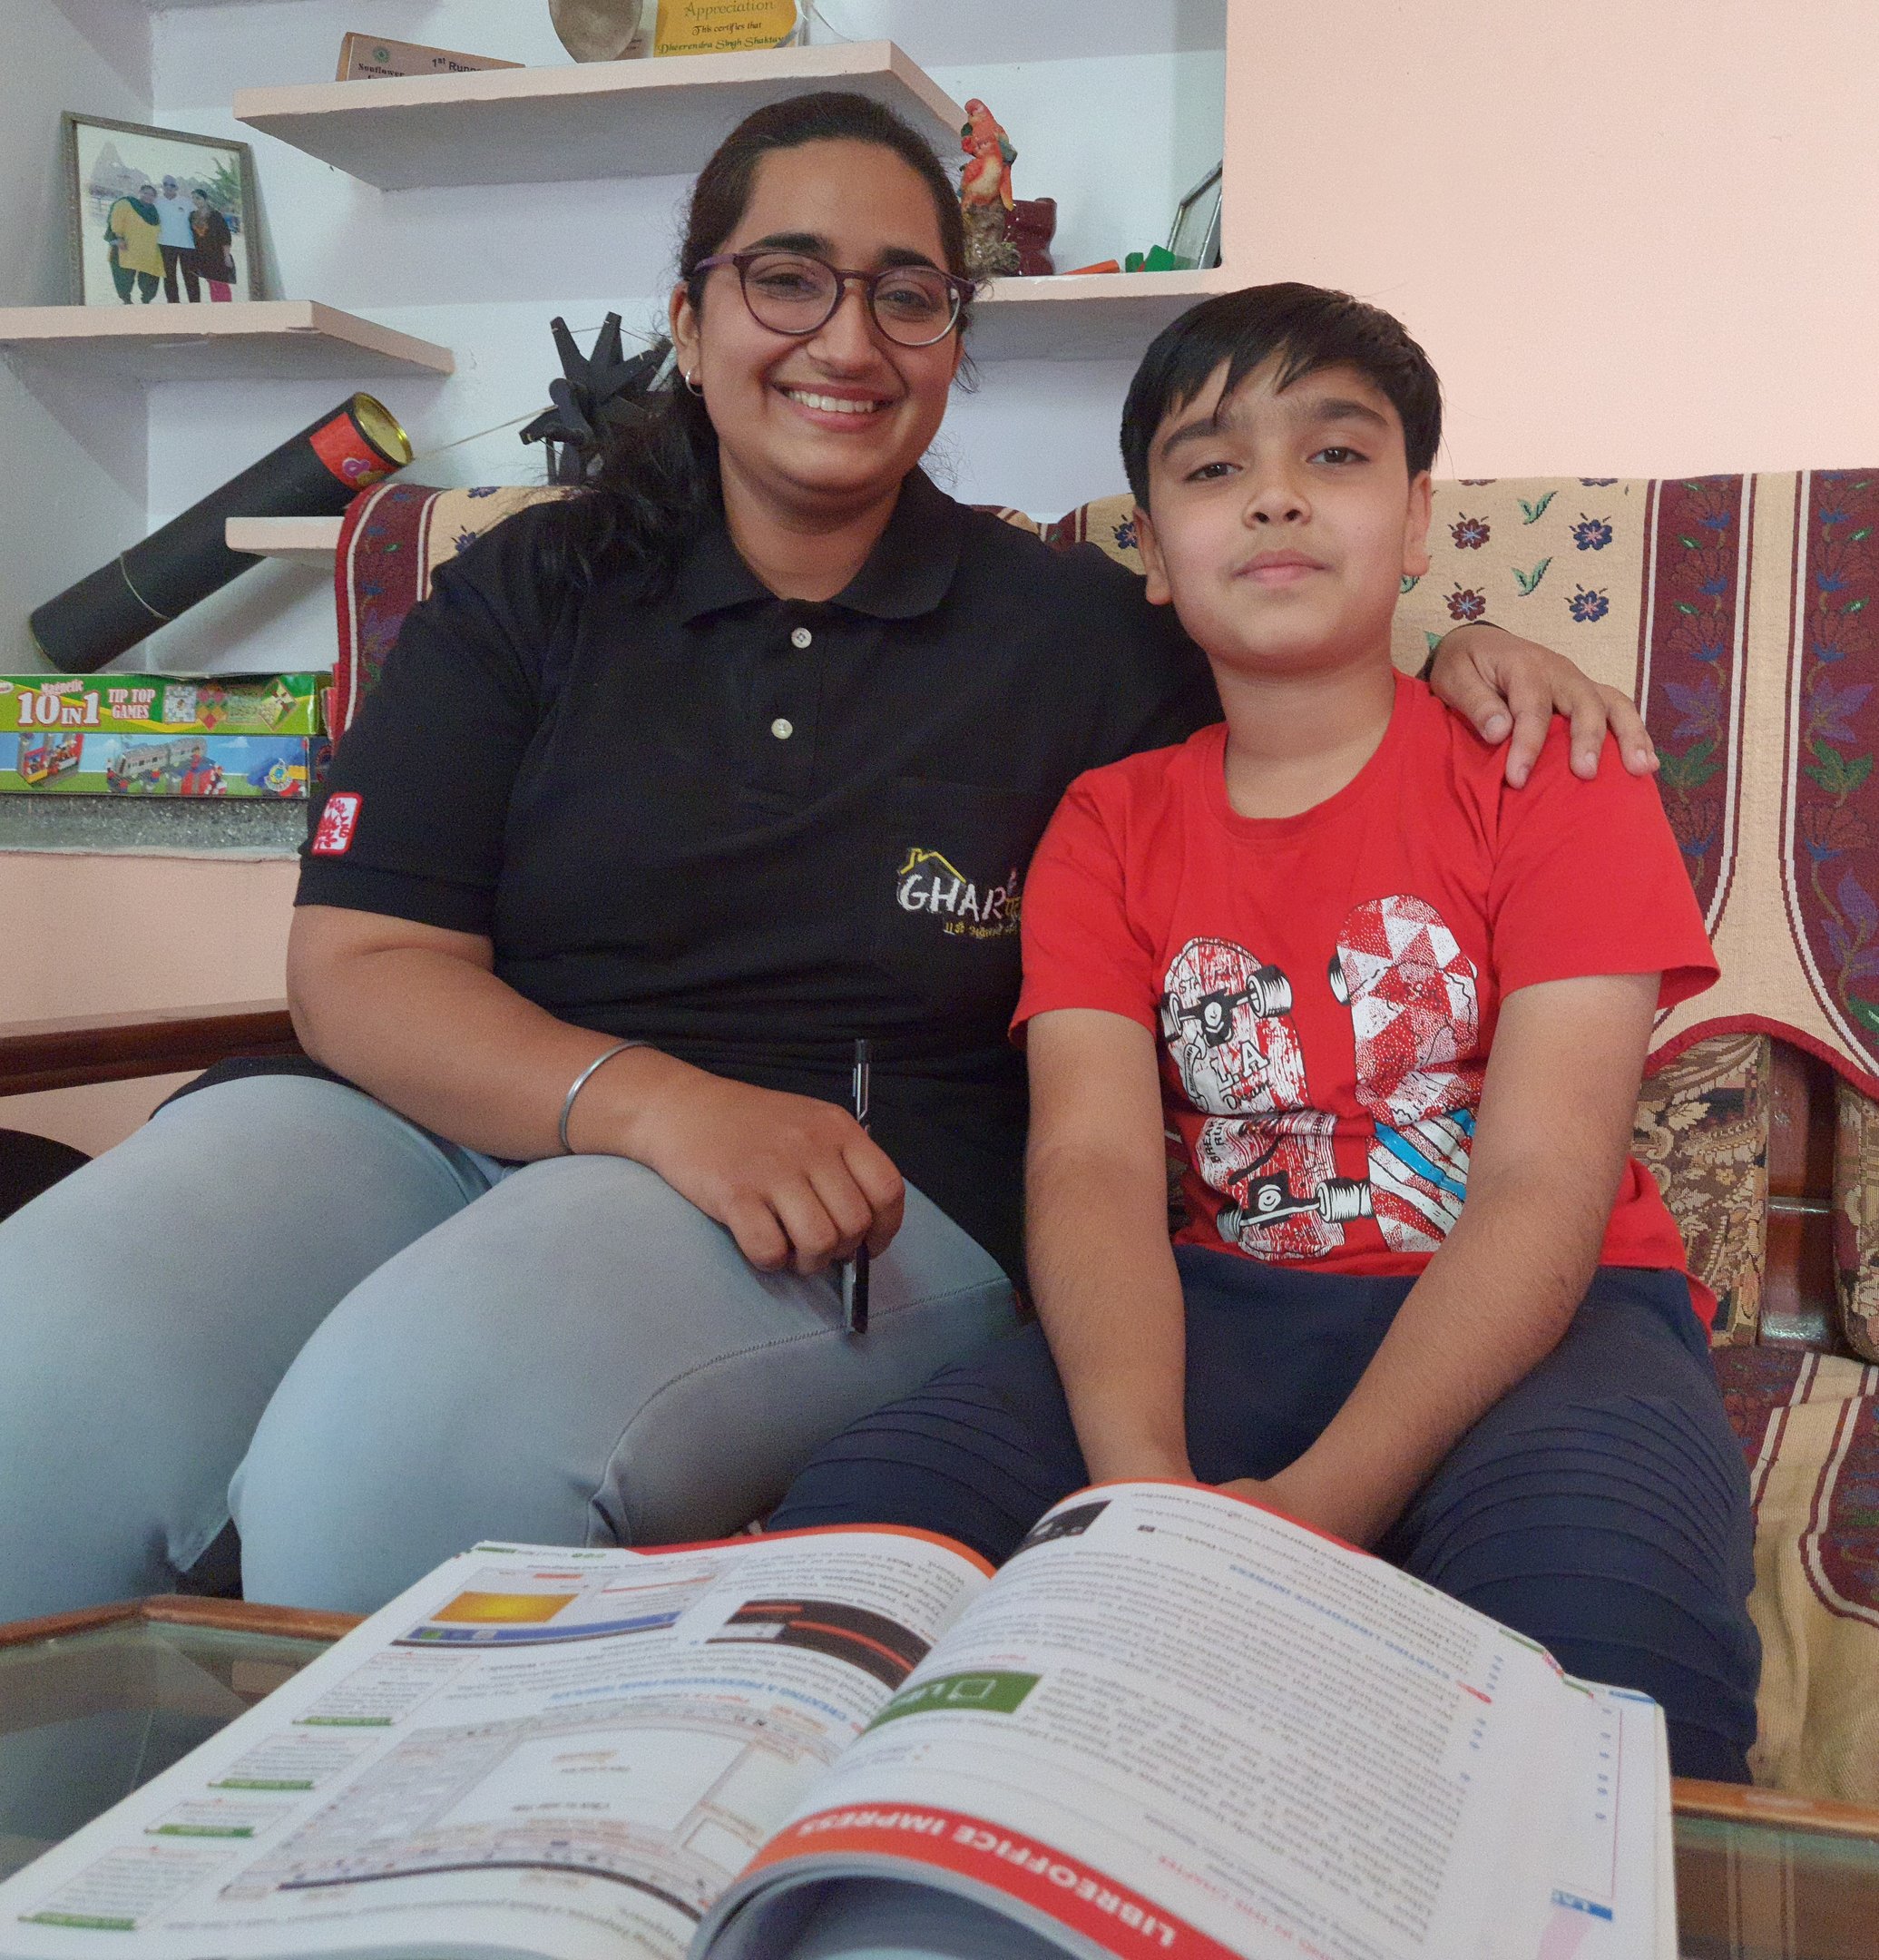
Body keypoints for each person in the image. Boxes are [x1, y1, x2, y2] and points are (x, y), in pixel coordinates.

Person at [0, 97, 1650, 1623]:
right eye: (787, 278)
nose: (845, 338)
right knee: (41, 1357)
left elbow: (1295, 676)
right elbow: (360, 965)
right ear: (692, 313)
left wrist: (1469, 651)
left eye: (909, 296)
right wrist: (655, 1105)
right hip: (430, 1125)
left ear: (951, 346)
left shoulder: (1070, 634)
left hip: (855, 1200)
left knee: (395, 1437)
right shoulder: (532, 589)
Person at [769, 283, 1759, 1784]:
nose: (1278, 493)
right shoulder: (1110, 822)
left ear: (1419, 521)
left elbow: (1542, 1185)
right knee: (840, 1559)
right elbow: (1094, 1162)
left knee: (1616, 1662)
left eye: (1337, 456)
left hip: (1547, 1320)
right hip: (1212, 1304)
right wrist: (1142, 1496)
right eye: (1213, 466)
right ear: (1155, 557)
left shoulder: (1554, 771)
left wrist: (1307, 1516)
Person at [103, 183, 161, 305]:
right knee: (124, 276)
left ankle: (146, 300)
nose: (148, 196)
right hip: (125, 248)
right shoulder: (126, 203)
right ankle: (126, 300)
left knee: (150, 276)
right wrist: (118, 238)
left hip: (146, 251)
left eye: (152, 195)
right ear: (139, 193)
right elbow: (115, 220)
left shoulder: (154, 211)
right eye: (145, 193)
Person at [154, 173, 199, 302]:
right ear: (162, 186)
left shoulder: (187, 202)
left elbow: (200, 218)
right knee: (169, 278)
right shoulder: (156, 202)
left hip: (187, 246)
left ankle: (196, 306)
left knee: (191, 279)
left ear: (177, 188)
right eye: (165, 184)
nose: (169, 187)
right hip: (165, 244)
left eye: (172, 185)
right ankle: (174, 306)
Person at [189, 189, 236, 302]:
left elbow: (225, 237)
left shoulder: (215, 216)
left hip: (217, 256)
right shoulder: (192, 216)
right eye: (193, 198)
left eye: (198, 198)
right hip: (203, 256)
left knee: (221, 284)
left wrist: (226, 256)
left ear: (205, 199)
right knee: (212, 284)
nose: (195, 201)